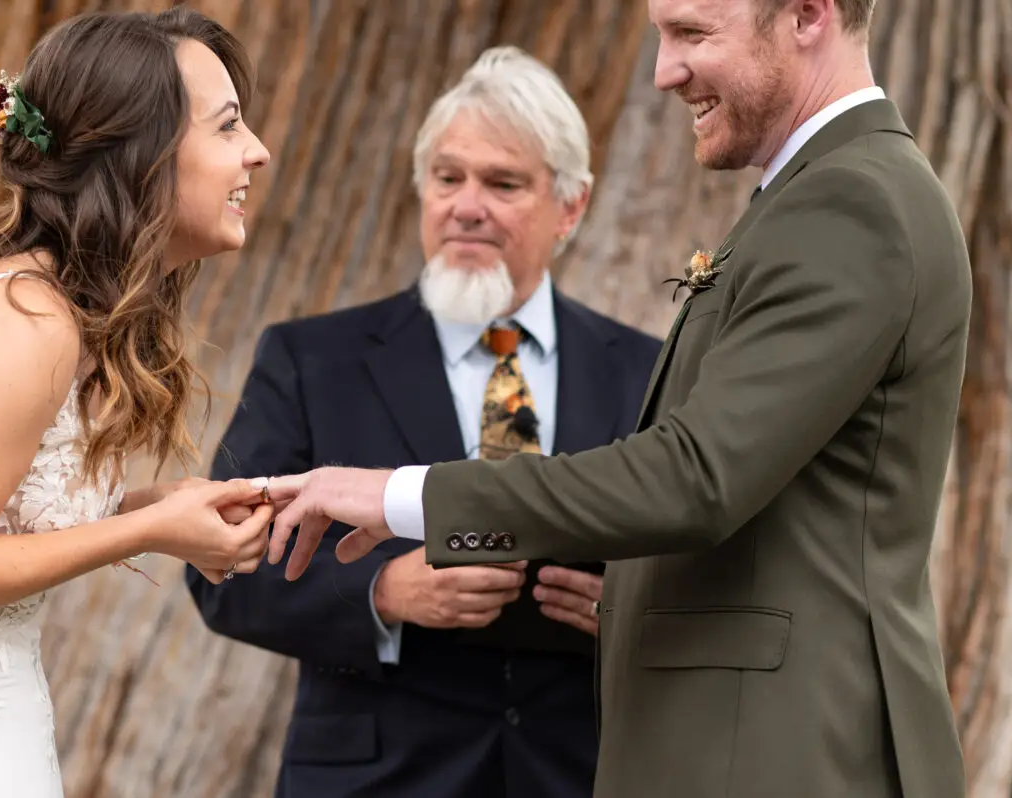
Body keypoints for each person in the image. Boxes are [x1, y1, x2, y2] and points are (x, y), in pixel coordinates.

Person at [264, 0, 972, 796]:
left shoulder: (850, 202)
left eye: (692, 34)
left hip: (782, 748)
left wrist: (399, 494)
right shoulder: (816, 194)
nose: (665, 71)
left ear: (807, 14)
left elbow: (694, 477)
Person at [185, 47, 661, 798]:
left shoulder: (648, 371)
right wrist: (383, 594)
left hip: (582, 774)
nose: (466, 205)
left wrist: (643, 616)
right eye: (447, 178)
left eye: (503, 183)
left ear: (571, 206)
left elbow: (716, 560)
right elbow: (219, 569)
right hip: (375, 779)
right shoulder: (314, 359)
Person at [0, 9, 273, 797]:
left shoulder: (32, 309)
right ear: (143, 152)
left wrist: (159, 507)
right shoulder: (27, 327)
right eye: (229, 125)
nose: (257, 151)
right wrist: (144, 528)